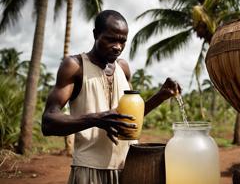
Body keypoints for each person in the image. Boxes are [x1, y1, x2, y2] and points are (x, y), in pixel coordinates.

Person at [41, 10, 181, 184]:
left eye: (123, 41)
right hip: (90, 171)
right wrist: (95, 119)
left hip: (128, 168)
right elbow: (48, 122)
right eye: (111, 39)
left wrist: (160, 96)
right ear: (95, 34)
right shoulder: (75, 66)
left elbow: (128, 119)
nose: (118, 47)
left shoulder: (123, 68)